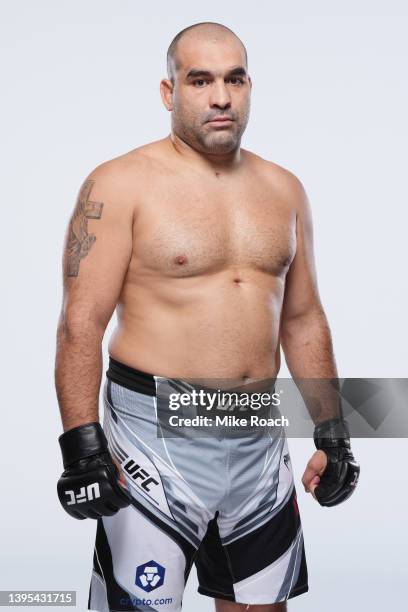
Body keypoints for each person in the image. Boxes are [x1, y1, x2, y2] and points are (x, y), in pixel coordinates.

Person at [55, 21, 359, 612]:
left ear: (248, 87)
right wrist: (80, 448)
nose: (220, 96)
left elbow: (302, 319)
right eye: (200, 80)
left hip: (258, 436)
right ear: (170, 92)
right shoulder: (119, 184)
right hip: (151, 436)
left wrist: (333, 431)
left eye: (234, 79)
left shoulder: (284, 189)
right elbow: (80, 324)